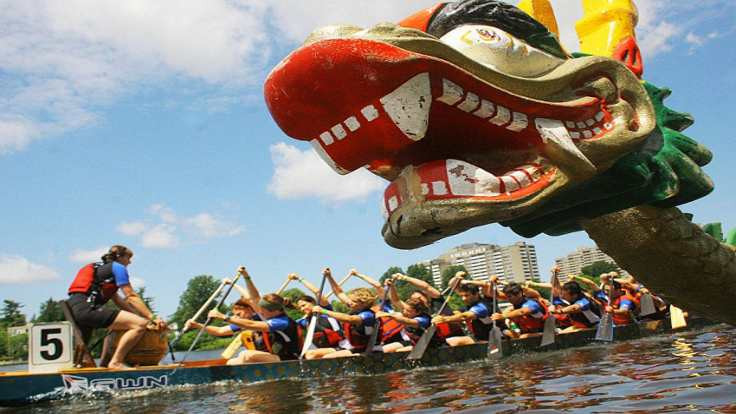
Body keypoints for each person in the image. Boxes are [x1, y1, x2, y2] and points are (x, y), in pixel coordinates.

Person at [67, 245, 165, 370]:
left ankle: (103, 365)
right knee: (139, 325)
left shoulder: (102, 272)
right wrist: (152, 317)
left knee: (120, 325)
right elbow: (130, 295)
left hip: (76, 308)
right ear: (120, 257)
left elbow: (119, 301)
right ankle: (116, 362)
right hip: (87, 309)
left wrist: (138, 316)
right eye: (128, 258)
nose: (130, 262)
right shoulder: (118, 268)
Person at [304, 268, 378, 359]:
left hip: (366, 349)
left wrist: (323, 311)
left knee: (326, 358)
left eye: (353, 301)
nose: (349, 302)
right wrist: (329, 277)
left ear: (363, 302)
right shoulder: (355, 306)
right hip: (352, 347)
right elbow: (339, 292)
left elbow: (349, 319)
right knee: (311, 354)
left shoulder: (368, 315)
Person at [208, 293, 299, 364]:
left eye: (263, 309)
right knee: (231, 362)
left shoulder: (282, 322)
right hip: (275, 357)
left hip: (290, 359)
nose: (260, 312)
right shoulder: (270, 318)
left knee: (246, 354)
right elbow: (254, 297)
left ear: (274, 311)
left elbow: (251, 324)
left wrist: (224, 317)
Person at [388, 272, 464, 339]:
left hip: (456, 337)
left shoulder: (437, 301)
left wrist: (405, 278)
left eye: (419, 298)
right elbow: (396, 300)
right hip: (437, 344)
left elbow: (426, 287)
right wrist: (391, 286)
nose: (417, 301)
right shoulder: (413, 310)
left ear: (426, 297)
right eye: (414, 300)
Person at [431, 282, 500, 346]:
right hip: (478, 339)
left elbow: (465, 316)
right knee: (448, 342)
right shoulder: (468, 306)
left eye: (467, 295)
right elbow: (457, 313)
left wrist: (444, 319)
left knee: (452, 341)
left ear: (476, 294)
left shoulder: (482, 307)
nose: (463, 299)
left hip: (496, 340)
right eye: (462, 296)